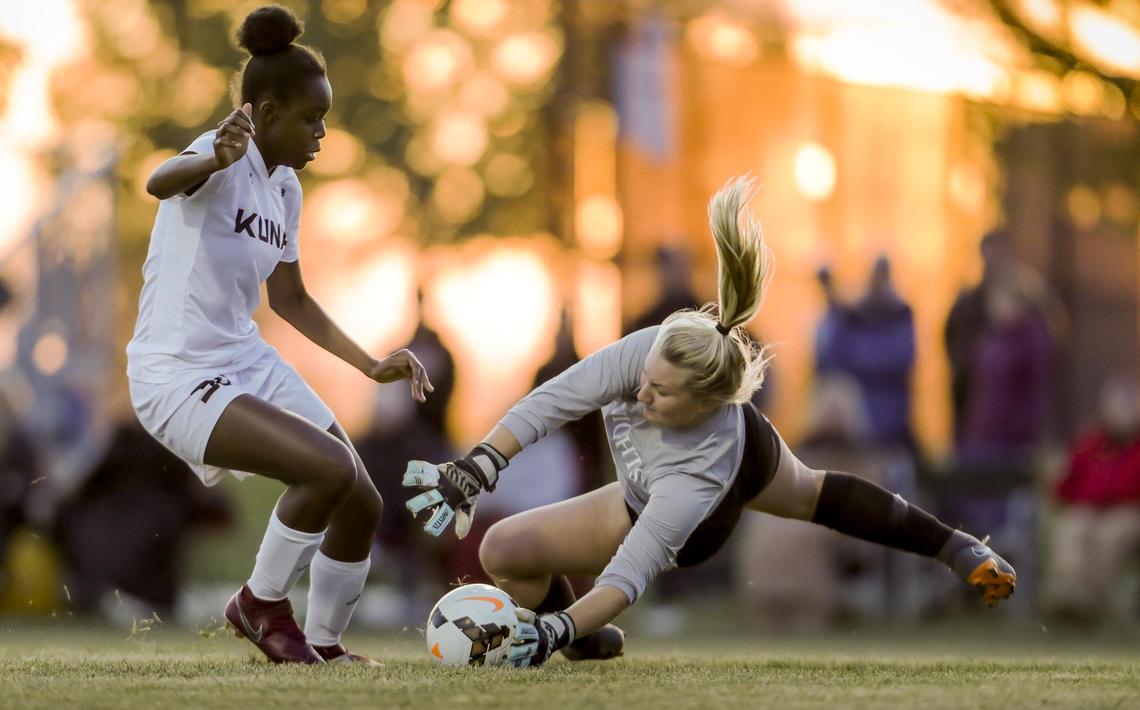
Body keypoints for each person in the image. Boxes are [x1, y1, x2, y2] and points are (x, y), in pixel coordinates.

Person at [402, 176, 1017, 668]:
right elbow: (552, 401)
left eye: (661, 393)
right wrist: (479, 464)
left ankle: (956, 547)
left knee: (810, 494)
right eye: (646, 377)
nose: (641, 392)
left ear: (704, 404)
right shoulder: (650, 351)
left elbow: (628, 576)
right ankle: (584, 644)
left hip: (696, 513)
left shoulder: (695, 476)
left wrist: (551, 626)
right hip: (645, 487)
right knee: (503, 548)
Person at [125, 5, 432, 665]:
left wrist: (370, 363)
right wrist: (214, 156)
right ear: (265, 113)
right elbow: (159, 181)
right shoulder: (222, 148)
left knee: (361, 499)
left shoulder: (285, 187)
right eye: (311, 117)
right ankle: (260, 605)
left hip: (242, 359)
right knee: (326, 469)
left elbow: (290, 299)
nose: (322, 131)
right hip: (174, 373)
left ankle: (322, 644)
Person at [1044, 372, 1140, 624]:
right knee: (1073, 528)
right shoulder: (1089, 444)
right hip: (1088, 509)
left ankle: (1091, 606)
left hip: (1128, 512)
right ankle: (1068, 598)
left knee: (1111, 535)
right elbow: (1063, 488)